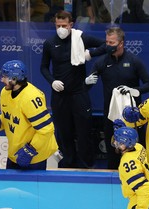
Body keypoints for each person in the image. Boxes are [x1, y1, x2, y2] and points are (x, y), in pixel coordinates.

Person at [40, 10, 106, 168]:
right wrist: (52, 81)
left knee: (84, 131)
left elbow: (106, 45)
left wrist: (91, 53)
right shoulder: (49, 43)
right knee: (63, 133)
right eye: (58, 26)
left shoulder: (80, 38)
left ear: (71, 25)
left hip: (79, 93)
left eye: (64, 25)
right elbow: (43, 68)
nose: (61, 28)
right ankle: (66, 165)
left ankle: (86, 164)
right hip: (59, 95)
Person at [86, 26, 149, 169]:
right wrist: (86, 82)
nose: (108, 46)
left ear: (121, 43)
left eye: (111, 43)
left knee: (134, 148)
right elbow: (87, 86)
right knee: (113, 149)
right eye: (107, 42)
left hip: (132, 114)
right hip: (111, 114)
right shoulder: (101, 62)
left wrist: (135, 91)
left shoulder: (134, 61)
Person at [0, 60, 58, 170]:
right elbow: (10, 115)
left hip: (34, 156)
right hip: (14, 153)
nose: (2, 80)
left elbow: (47, 129)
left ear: (15, 79)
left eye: (5, 76)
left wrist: (30, 150)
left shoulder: (31, 98)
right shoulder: (4, 92)